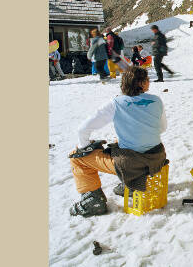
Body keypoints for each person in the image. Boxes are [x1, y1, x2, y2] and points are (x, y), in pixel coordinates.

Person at [68, 66, 167, 217]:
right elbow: (161, 128)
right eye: (147, 79)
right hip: (157, 158)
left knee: (77, 158)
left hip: (132, 164)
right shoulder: (156, 100)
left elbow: (82, 130)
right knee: (119, 145)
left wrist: (84, 148)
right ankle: (129, 184)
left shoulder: (116, 103)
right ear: (140, 83)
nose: (149, 82)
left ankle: (93, 200)